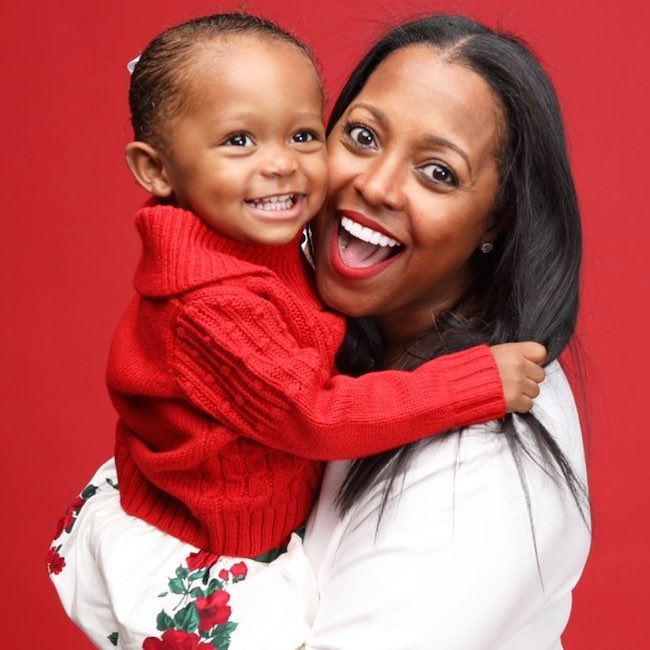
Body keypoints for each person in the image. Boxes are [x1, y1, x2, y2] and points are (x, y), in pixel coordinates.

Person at [47, 12, 546, 650]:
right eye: (238, 141)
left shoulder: (262, 234)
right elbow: (314, 414)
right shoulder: (212, 305)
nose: (281, 164)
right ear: (156, 170)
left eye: (304, 134)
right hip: (211, 555)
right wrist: (475, 381)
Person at [303, 14, 591, 649]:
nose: (374, 185)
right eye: (360, 135)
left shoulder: (481, 465)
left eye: (438, 173)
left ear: (497, 223)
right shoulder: (336, 354)